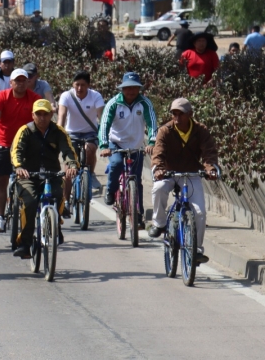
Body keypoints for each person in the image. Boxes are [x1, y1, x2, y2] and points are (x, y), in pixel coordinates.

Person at [148, 98, 219, 264]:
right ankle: (159, 223)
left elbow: (209, 152)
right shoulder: (165, 130)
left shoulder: (201, 130)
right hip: (169, 173)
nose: (177, 118)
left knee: (200, 213)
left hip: (192, 174)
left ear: (190, 114)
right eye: (174, 114)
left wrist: (210, 168)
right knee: (158, 189)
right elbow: (158, 152)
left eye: (181, 114)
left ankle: (196, 251)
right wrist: (158, 168)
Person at [10, 99, 79, 258]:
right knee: (30, 201)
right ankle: (25, 243)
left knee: (59, 195)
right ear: (33, 115)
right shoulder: (25, 130)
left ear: (51, 115)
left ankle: (56, 225)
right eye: (38, 114)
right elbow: (16, 150)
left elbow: (68, 150)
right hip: (28, 175)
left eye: (45, 114)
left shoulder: (59, 131)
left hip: (51, 174)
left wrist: (72, 165)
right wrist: (19, 166)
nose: (42, 118)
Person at [0, 68, 41, 233]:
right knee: (2, 180)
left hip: (25, 145)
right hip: (3, 142)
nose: (21, 83)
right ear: (11, 83)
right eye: (17, 80)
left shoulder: (34, 98)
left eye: (24, 80)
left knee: (31, 179)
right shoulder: (1, 96)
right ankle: (0, 218)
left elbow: (40, 121)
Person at [99, 73, 157, 224]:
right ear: (122, 89)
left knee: (136, 180)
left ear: (139, 89)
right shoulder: (114, 103)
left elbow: (152, 123)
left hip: (136, 145)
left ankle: (138, 215)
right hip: (116, 143)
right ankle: (111, 191)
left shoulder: (145, 103)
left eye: (134, 87)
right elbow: (104, 124)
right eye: (127, 87)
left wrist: (152, 142)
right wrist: (104, 145)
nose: (131, 91)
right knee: (116, 164)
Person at [57, 70, 105, 209]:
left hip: (90, 132)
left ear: (88, 85)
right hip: (71, 133)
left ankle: (90, 173)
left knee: (90, 149)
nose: (79, 88)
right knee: (68, 170)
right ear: (73, 84)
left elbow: (102, 117)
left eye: (83, 85)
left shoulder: (96, 96)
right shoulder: (66, 96)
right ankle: (65, 202)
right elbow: (61, 117)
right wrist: (60, 136)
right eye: (77, 84)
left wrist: (104, 137)